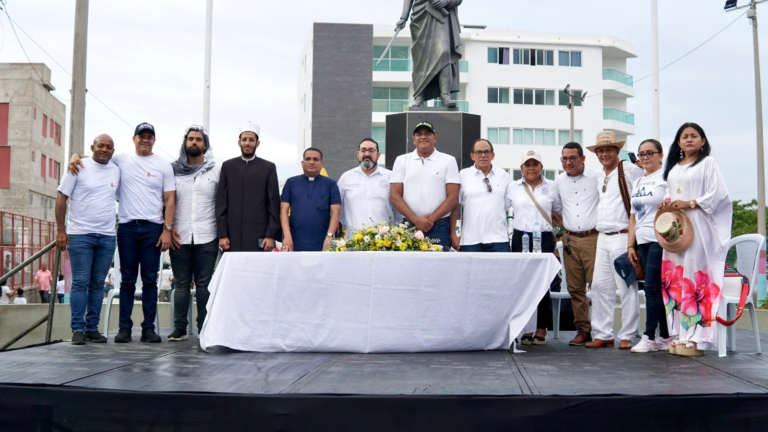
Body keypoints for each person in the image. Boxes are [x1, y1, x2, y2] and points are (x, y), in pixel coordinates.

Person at [69, 123, 176, 344]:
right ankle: (124, 329)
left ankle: (148, 329)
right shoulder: (121, 159)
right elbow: (98, 155)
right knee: (127, 281)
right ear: (133, 138)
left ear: (154, 140)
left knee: (150, 281)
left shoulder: (163, 165)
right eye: (141, 136)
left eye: (149, 137)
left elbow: (170, 198)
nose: (145, 140)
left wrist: (167, 229)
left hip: (153, 228)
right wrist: (75, 156)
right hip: (127, 227)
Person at [659, 123, 732, 356]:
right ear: (678, 142)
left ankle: (698, 336)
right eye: (684, 136)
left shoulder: (708, 163)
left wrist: (690, 203)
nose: (689, 139)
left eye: (694, 136)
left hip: (698, 224)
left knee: (695, 275)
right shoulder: (674, 167)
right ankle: (681, 334)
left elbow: (718, 194)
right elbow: (671, 191)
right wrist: (666, 202)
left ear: (703, 141)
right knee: (675, 276)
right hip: (677, 226)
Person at [57, 134, 120, 344]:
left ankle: (92, 328)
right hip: (80, 234)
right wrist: (60, 230)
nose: (104, 149)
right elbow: (61, 198)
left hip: (107, 236)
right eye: (100, 146)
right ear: (92, 147)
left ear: (113, 151)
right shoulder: (77, 167)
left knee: (97, 284)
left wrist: (77, 154)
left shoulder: (116, 170)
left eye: (109, 147)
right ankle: (77, 329)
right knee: (81, 281)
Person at [585, 131, 644, 350]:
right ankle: (603, 334)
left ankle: (627, 334)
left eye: (609, 150)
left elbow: (641, 200)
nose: (604, 154)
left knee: (626, 286)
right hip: (603, 236)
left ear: (617, 151)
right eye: (600, 150)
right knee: (599, 287)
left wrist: (635, 239)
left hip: (623, 235)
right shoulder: (599, 175)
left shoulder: (630, 169)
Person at [168, 125, 221, 340]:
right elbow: (165, 200)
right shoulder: (172, 170)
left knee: (204, 284)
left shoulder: (216, 170)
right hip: (179, 235)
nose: (194, 143)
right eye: (190, 139)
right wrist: (167, 228)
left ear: (205, 145)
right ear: (185, 142)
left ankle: (204, 328)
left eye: (198, 139)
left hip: (207, 234)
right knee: (181, 284)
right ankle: (180, 328)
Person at [506, 150, 562, 345]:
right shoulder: (513, 187)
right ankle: (526, 329)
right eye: (527, 165)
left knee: (543, 284)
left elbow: (559, 212)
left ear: (541, 167)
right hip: (520, 237)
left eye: (535, 164)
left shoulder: (552, 186)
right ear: (521, 168)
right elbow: (501, 207)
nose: (531, 168)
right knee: (522, 284)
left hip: (543, 238)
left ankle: (541, 327)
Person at [627, 139, 674, 353]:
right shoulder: (638, 181)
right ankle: (664, 336)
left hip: (660, 238)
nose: (645, 157)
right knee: (655, 288)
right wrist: (630, 246)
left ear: (660, 155)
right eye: (641, 154)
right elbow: (633, 217)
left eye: (650, 153)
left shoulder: (666, 177)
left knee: (651, 288)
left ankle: (648, 336)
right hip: (643, 239)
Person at [554, 142, 600, 346]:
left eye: (572, 158)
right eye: (564, 159)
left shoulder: (597, 176)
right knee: (575, 288)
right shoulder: (559, 181)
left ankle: (602, 331)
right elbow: (556, 210)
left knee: (598, 286)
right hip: (570, 238)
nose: (568, 162)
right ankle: (583, 330)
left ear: (583, 158)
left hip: (593, 237)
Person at [390, 122, 460, 249]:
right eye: (419, 134)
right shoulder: (401, 161)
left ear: (435, 138)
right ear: (414, 139)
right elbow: (395, 196)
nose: (423, 137)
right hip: (409, 225)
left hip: (439, 226)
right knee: (408, 262)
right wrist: (416, 220)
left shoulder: (448, 160)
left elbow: (453, 197)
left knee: (440, 262)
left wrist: (430, 220)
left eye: (428, 133)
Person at [216, 122, 281, 253]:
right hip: (232, 237)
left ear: (257, 143)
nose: (247, 143)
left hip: (260, 236)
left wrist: (270, 235)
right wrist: (222, 234)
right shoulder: (228, 166)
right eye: (244, 139)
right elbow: (221, 203)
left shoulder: (268, 168)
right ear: (239, 143)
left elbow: (273, 204)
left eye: (251, 140)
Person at [395, 0, 462, 108]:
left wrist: (447, 2)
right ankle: (419, 97)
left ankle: (445, 95)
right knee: (421, 58)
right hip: (420, 16)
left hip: (441, 15)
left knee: (444, 52)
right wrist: (403, 17)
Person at [450, 139, 511, 252]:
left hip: (499, 240)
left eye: (486, 152)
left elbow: (506, 205)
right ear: (472, 156)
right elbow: (454, 207)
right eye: (479, 152)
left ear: (492, 155)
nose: (483, 155)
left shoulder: (504, 176)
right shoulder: (462, 175)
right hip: (471, 240)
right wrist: (453, 233)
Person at [280, 148, 342, 251]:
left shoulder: (330, 184)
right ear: (302, 163)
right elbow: (283, 211)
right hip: (294, 243)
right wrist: (287, 236)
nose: (311, 162)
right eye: (308, 159)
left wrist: (330, 236)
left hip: (323, 243)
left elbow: (336, 212)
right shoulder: (291, 183)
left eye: (315, 159)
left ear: (322, 164)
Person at [337, 138, 401, 236]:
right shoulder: (346, 178)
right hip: (354, 239)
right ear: (358, 154)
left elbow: (398, 208)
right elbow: (338, 208)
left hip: (385, 240)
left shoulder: (390, 177)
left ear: (378, 155)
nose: (367, 154)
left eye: (371, 150)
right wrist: (351, 225)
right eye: (363, 150)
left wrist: (391, 228)